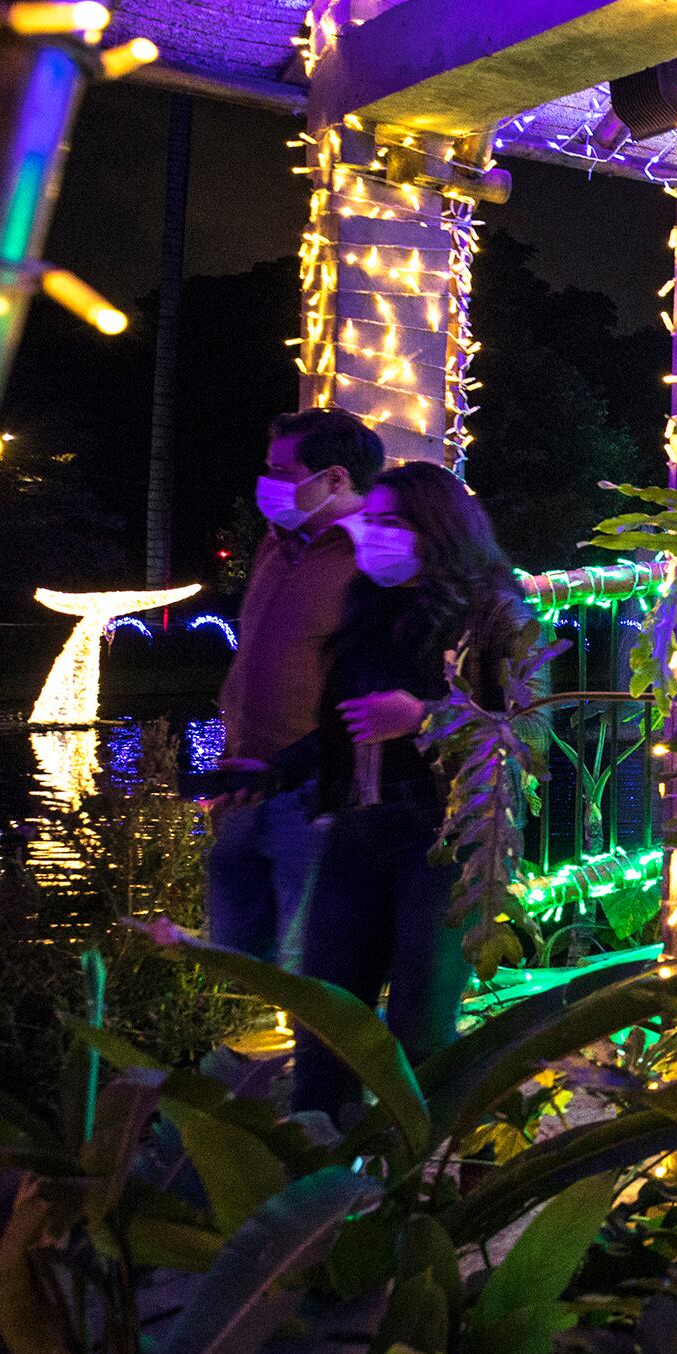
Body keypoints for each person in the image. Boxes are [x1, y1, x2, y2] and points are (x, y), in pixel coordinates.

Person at [290, 461, 535, 1116]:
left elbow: (528, 724)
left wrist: (425, 717)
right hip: (356, 831)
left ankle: (433, 1192)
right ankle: (322, 1193)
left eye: (389, 523)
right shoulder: (371, 611)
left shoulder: (496, 613)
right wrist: (268, 775)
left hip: (444, 838)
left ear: (437, 527)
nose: (373, 536)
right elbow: (344, 727)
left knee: (421, 1034)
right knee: (325, 1025)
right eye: (370, 522)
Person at [203, 407, 383, 972]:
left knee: (311, 963)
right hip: (242, 780)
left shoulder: (372, 557)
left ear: (334, 479)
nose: (269, 484)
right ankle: (255, 1057)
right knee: (235, 956)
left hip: (312, 792)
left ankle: (319, 1061)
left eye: (284, 471)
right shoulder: (277, 543)